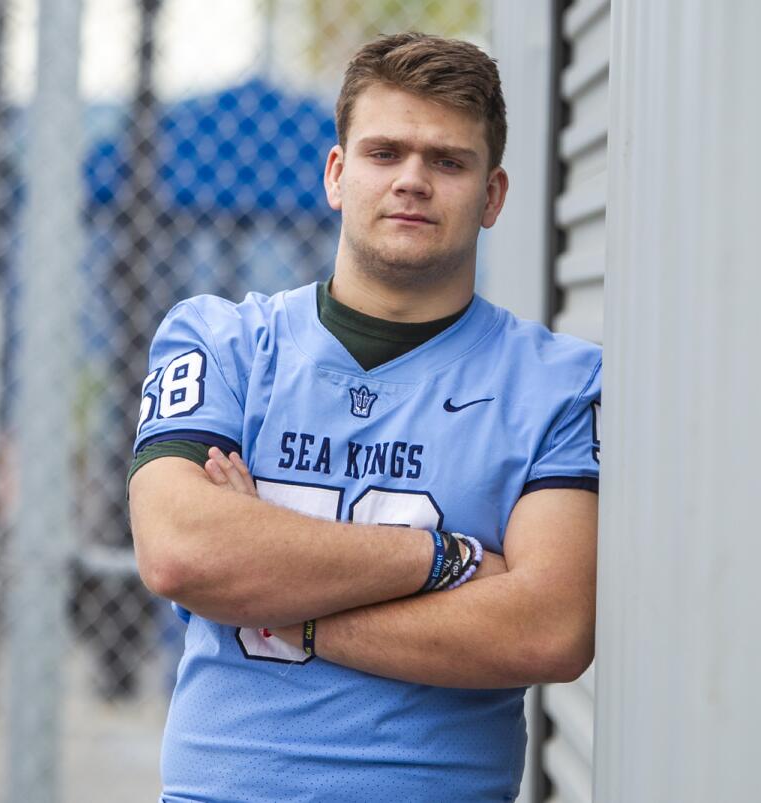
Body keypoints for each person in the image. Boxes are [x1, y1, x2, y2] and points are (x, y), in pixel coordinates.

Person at [128, 32, 600, 802]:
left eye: (447, 161)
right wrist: (442, 558)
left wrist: (285, 613)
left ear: (493, 195)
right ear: (338, 175)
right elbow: (181, 552)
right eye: (385, 153)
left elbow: (548, 626)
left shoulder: (559, 382)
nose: (412, 180)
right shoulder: (225, 340)